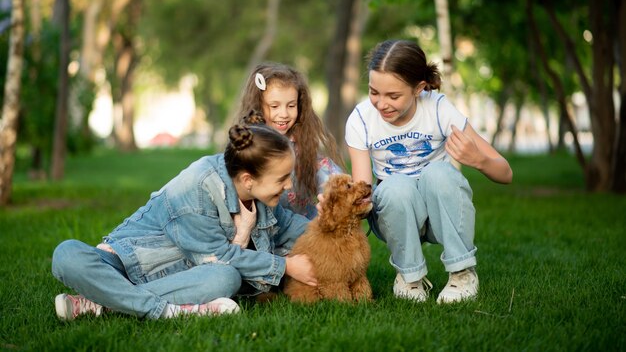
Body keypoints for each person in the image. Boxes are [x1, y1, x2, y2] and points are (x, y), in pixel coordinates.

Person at [51, 113, 317, 320]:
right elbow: (221, 256)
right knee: (66, 255)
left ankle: (105, 301)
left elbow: (290, 225)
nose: (289, 187)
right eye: (282, 179)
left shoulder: (259, 194)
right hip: (126, 265)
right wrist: (285, 267)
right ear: (248, 180)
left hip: (178, 281)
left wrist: (335, 223)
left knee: (226, 279)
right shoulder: (197, 187)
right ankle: (171, 311)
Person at [345, 39, 513, 304]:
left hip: (442, 214)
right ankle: (409, 276)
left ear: (419, 89)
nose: (381, 103)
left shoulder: (438, 108)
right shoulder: (361, 119)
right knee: (395, 186)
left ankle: (462, 272)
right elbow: (363, 186)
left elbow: (506, 173)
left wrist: (477, 159)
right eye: (373, 92)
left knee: (439, 173)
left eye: (393, 96)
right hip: (395, 214)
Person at [236, 62, 345, 219]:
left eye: (291, 105)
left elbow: (328, 173)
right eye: (274, 106)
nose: (284, 114)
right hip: (261, 227)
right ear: (258, 105)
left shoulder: (301, 144)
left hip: (301, 228)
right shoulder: (248, 144)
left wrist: (338, 193)